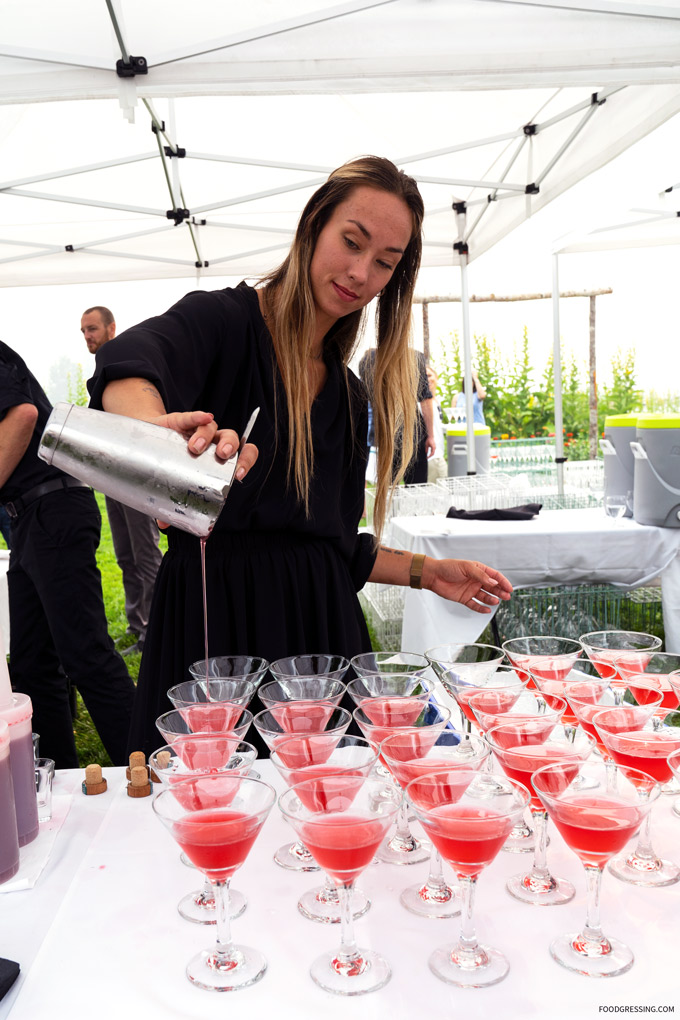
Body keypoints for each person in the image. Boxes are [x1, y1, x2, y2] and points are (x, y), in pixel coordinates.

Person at [88, 156, 512, 757]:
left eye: (385, 263)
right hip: (218, 627)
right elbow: (128, 363)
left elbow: (335, 546)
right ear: (313, 225)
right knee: (216, 819)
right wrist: (156, 436)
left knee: (327, 820)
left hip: (320, 641)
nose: (361, 272)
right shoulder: (224, 322)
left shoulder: (347, 392)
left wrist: (429, 573)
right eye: (352, 241)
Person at [0, 342, 135, 768]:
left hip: (50, 509)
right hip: (27, 516)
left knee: (85, 653)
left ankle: (146, 769)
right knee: (31, 663)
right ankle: (56, 777)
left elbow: (23, 415)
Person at [81, 306, 163, 655]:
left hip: (137, 478)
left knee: (146, 554)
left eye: (93, 328)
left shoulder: (129, 368)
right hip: (112, 478)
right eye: (83, 330)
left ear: (112, 328)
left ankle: (157, 631)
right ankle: (137, 625)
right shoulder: (101, 373)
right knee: (125, 555)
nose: (88, 335)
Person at [359, 347, 435, 484]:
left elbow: (364, 399)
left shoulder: (370, 358)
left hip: (385, 430)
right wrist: (431, 436)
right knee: (416, 488)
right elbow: (426, 400)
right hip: (412, 430)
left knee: (387, 489)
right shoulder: (414, 357)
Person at [426, 364, 447, 483]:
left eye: (429, 375)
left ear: (436, 377)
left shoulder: (436, 401)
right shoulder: (423, 403)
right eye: (424, 377)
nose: (427, 379)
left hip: (438, 455)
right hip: (433, 457)